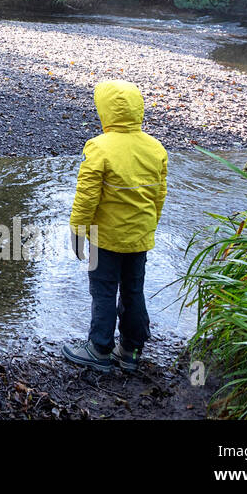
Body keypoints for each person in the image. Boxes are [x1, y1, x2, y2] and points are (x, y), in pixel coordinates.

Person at [62, 79, 168, 374]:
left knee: (104, 290)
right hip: (139, 239)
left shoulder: (99, 147)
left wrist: (78, 230)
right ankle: (131, 350)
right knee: (134, 290)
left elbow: (87, 196)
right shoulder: (155, 148)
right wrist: (150, 227)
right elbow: (159, 195)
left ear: (105, 111)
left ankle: (99, 348)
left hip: (104, 238)